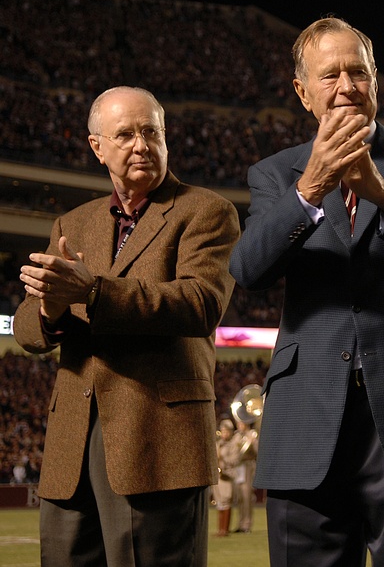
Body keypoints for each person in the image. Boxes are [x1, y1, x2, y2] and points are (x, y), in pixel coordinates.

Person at [229, 16, 384, 567]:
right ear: (303, 92)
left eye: (357, 72)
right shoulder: (274, 173)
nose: (345, 87)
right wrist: (310, 186)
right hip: (306, 417)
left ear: (376, 81)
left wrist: (383, 194)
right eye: (329, 74)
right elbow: (248, 270)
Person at [14, 86, 240, 567]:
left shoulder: (207, 210)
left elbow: (200, 303)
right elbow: (27, 331)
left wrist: (92, 292)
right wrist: (52, 310)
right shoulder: (72, 222)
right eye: (125, 134)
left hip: (160, 442)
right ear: (97, 147)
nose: (140, 144)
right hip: (70, 446)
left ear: (165, 137)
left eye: (150, 132)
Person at [213, 419, 242, 537]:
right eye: (223, 431)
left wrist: (223, 459)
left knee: (226, 500)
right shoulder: (218, 443)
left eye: (227, 431)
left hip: (227, 475)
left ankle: (225, 529)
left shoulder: (234, 445)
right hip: (219, 476)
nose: (224, 433)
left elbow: (235, 460)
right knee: (219, 501)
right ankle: (220, 529)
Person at [233, 418, 258, 533]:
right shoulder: (237, 436)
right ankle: (240, 522)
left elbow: (257, 452)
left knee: (247, 496)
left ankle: (247, 524)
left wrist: (252, 443)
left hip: (248, 467)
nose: (239, 425)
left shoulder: (252, 435)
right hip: (238, 468)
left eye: (241, 423)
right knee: (240, 497)